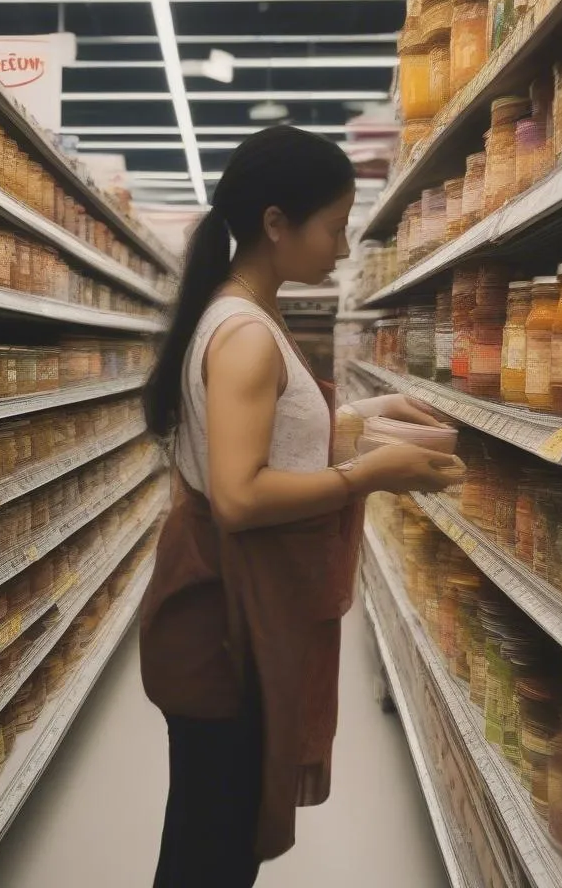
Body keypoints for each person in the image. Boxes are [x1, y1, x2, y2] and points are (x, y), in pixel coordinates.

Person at [140, 126, 461, 888]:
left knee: (213, 832)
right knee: (210, 849)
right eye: (336, 225)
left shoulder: (244, 308)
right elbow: (242, 495)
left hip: (228, 616)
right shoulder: (246, 332)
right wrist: (370, 474)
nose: (345, 247)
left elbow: (276, 434)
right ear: (276, 223)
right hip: (221, 631)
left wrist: (361, 416)